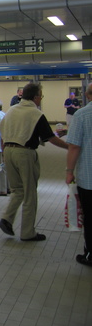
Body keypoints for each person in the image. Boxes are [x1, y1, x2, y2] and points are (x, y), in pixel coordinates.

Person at [0, 83, 69, 241]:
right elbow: (50, 138)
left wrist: (4, 154)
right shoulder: (35, 113)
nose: (40, 99)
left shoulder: (11, 110)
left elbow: (1, 134)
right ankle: (27, 232)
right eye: (41, 96)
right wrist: (69, 147)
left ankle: (6, 218)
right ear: (36, 97)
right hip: (25, 153)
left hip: (8, 151)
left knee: (17, 190)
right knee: (30, 193)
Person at [65, 83, 92, 266]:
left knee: (90, 217)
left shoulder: (82, 114)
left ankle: (90, 254)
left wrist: (69, 171)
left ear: (88, 95)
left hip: (89, 178)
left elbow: (74, 146)